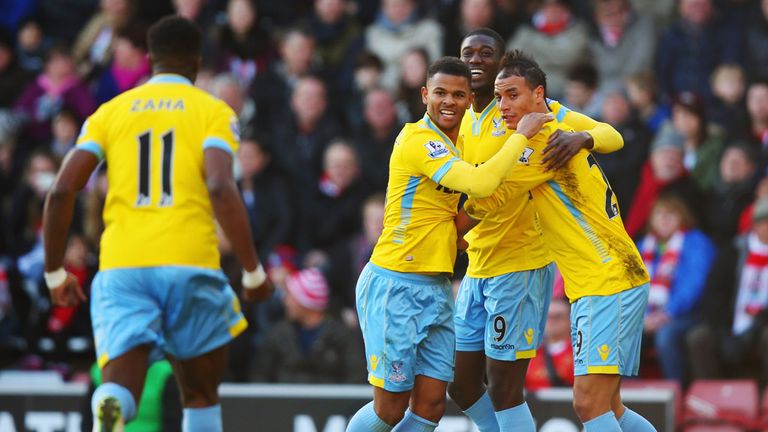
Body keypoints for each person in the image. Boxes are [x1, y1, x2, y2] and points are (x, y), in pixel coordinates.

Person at [41, 16, 273, 432]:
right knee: (200, 396)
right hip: (189, 260)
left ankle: (111, 401)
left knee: (121, 384)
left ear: (149, 60)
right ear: (197, 62)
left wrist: (55, 270)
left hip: (123, 264)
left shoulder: (110, 112)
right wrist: (253, 270)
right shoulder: (213, 111)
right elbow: (221, 185)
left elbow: (61, 191)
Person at [345, 57, 552, 432]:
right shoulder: (417, 140)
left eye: (459, 94)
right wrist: (521, 135)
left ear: (470, 98)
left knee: (431, 406)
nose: (449, 101)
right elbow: (481, 184)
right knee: (389, 408)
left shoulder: (460, 142)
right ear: (425, 95)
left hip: (437, 287)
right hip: (396, 283)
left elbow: (472, 204)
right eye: (440, 92)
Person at [456, 50, 656, 432]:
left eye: (513, 95)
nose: (503, 105)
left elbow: (488, 198)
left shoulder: (540, 144)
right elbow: (606, 134)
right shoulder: (556, 127)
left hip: (608, 277)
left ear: (538, 95)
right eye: (499, 98)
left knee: (588, 403)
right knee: (609, 408)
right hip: (595, 281)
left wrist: (450, 193)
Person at [638, 194, 715, 384]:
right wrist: (642, 317)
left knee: (666, 336)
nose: (664, 219)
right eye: (659, 214)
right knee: (626, 335)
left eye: (671, 214)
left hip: (689, 313)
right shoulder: (643, 246)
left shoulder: (696, 242)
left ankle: (675, 392)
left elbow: (694, 284)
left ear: (682, 217)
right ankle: (628, 396)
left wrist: (668, 312)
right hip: (649, 314)